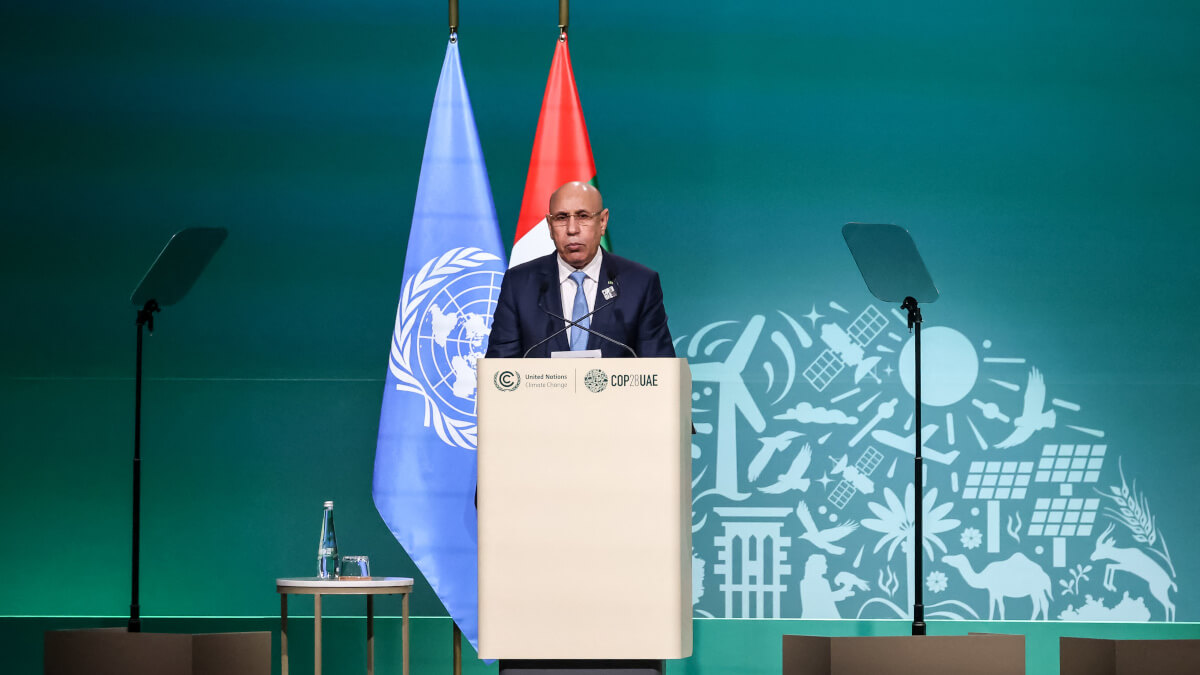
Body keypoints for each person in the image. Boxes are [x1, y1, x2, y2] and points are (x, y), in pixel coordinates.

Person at [485, 181, 675, 358]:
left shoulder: (639, 284)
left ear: (602, 221)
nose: (572, 229)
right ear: (550, 227)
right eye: (561, 218)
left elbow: (660, 371)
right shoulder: (519, 284)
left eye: (583, 216)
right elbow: (500, 371)